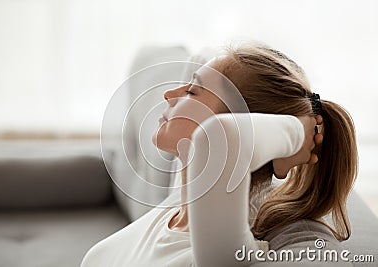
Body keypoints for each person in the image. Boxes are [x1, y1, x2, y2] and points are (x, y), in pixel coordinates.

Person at [81, 44, 357, 267]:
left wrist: (299, 132)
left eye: (192, 91)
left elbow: (222, 138)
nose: (169, 94)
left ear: (236, 123)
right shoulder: (179, 201)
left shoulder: (224, 251)